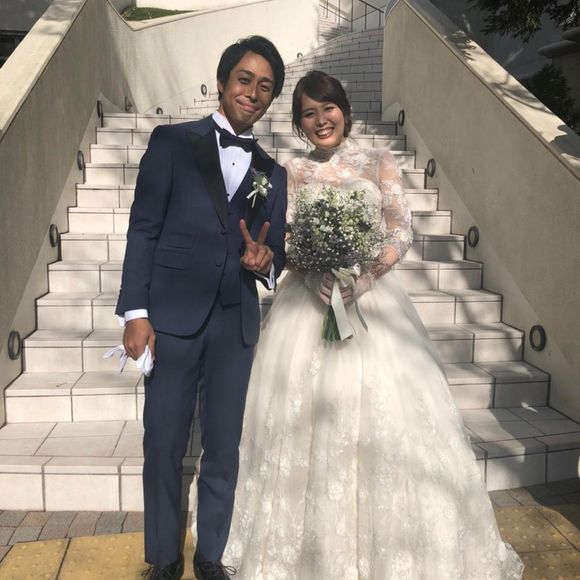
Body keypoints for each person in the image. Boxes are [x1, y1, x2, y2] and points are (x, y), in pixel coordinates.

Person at [221, 71, 525, 579]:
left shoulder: (379, 160)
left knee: (390, 423)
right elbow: (285, 240)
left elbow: (400, 228)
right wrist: (309, 271)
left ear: (345, 110)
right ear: (298, 123)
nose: (321, 120)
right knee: (303, 420)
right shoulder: (292, 171)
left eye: (328, 108)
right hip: (307, 306)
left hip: (373, 305)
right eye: (308, 114)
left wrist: (365, 277)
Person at [115, 36, 287, 580]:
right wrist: (135, 312)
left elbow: (277, 252)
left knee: (223, 446)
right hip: (172, 317)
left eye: (265, 87)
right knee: (164, 440)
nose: (253, 93)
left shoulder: (272, 172)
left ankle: (211, 555)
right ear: (221, 82)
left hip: (235, 324)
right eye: (244, 79)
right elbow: (144, 228)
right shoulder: (172, 142)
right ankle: (165, 558)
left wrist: (265, 261)